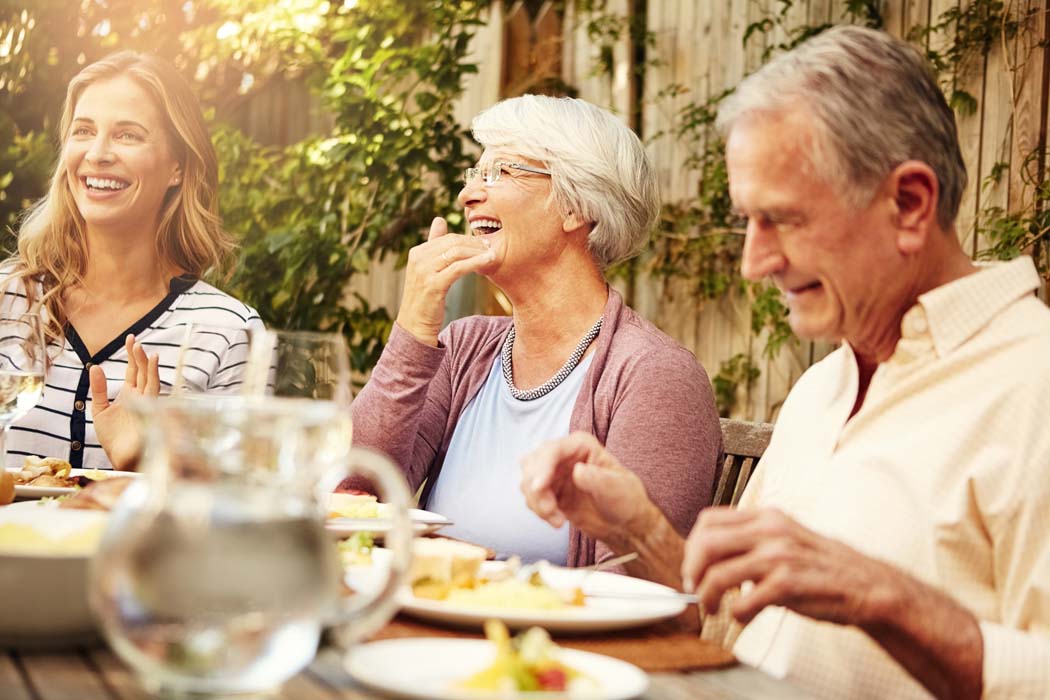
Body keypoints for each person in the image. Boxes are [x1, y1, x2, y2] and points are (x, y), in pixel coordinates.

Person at [521, 26, 1050, 698]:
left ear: (909, 205)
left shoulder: (1036, 384)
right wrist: (639, 527)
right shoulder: (825, 383)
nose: (753, 263)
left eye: (783, 220)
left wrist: (885, 598)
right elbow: (739, 624)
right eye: (748, 221)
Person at [350, 94, 722, 572]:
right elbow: (357, 493)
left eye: (500, 172)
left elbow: (636, 585)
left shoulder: (655, 377)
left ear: (575, 208)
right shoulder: (465, 347)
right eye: (473, 175)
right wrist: (414, 326)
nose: (467, 196)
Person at [1, 51, 263, 471]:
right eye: (83, 131)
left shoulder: (229, 334)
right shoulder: (6, 299)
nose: (98, 153)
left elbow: (240, 517)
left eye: (127, 135)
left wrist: (147, 462)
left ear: (177, 167)